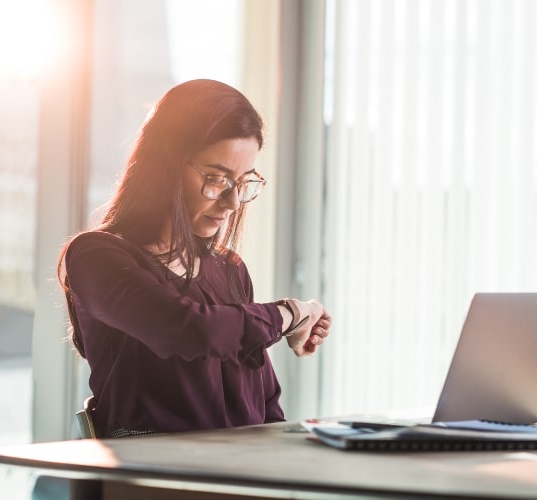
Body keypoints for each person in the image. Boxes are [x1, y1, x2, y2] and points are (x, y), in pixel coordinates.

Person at [57, 79, 332, 438]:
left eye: (244, 181)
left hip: (236, 475)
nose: (232, 203)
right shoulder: (96, 256)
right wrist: (290, 314)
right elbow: (188, 330)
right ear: (165, 166)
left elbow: (263, 403)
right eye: (216, 178)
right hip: (151, 481)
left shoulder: (228, 269)